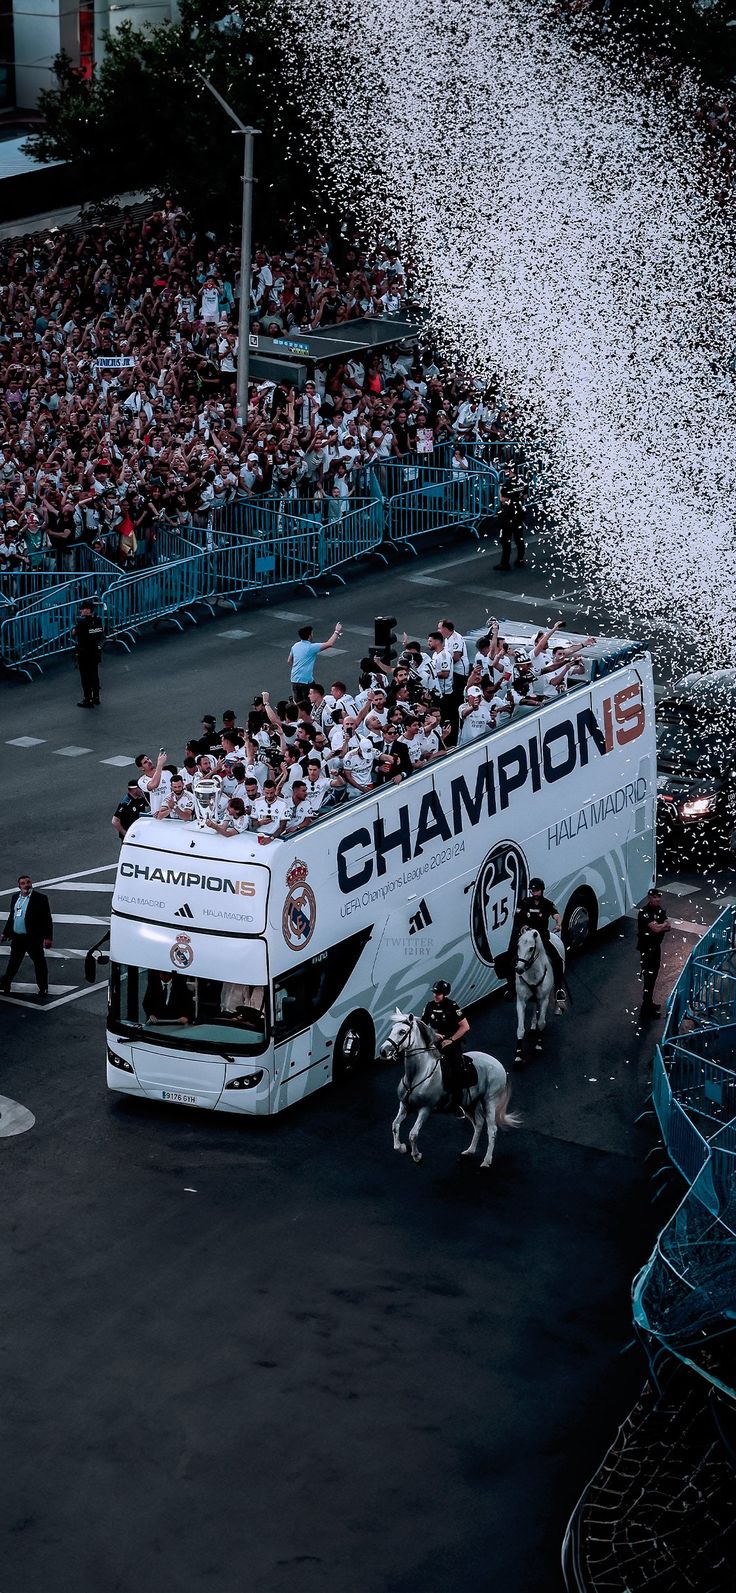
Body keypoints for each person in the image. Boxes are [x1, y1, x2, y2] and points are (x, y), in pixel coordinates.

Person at [508, 878, 566, 1002]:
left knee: (557, 959)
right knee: (511, 959)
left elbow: (556, 915)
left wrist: (558, 924)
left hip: (542, 938)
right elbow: (518, 918)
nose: (535, 893)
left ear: (542, 890)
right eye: (532, 891)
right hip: (527, 938)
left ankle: (559, 989)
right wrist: (523, 926)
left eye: (537, 891)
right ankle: (511, 989)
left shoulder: (547, 904)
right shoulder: (524, 903)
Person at [1, 874, 53, 999]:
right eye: (23, 883)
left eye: (28, 882)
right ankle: (5, 985)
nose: (26, 885)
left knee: (39, 963)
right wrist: (5, 933)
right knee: (13, 963)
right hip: (18, 938)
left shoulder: (40, 898)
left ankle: (43, 988)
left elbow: (47, 919)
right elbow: (12, 917)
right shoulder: (15, 898)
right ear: (19, 886)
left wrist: (48, 937)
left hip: (33, 938)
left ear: (31, 883)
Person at [421, 979, 470, 1109]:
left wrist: (451, 1039)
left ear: (445, 994)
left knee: (455, 1069)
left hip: (451, 1043)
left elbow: (465, 1026)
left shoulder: (452, 1006)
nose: (435, 996)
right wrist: (432, 1034)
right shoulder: (429, 1006)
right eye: (434, 993)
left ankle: (457, 1103)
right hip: (435, 1042)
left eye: (438, 993)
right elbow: (423, 1025)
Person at [637, 887, 671, 1021]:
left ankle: (649, 1002)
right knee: (648, 979)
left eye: (658, 897)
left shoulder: (660, 910)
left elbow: (669, 926)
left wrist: (660, 926)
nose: (657, 899)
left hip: (656, 948)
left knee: (654, 976)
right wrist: (661, 926)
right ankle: (646, 1008)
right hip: (647, 950)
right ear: (649, 898)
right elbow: (656, 929)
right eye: (654, 897)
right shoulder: (644, 912)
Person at [288, 621, 343, 703]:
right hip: (305, 681)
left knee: (299, 704)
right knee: (309, 703)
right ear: (309, 636)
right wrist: (337, 631)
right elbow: (329, 643)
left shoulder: (295, 646)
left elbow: (289, 661)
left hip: (294, 679)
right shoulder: (311, 647)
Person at [73, 599, 105, 708]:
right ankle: (96, 697)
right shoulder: (98, 620)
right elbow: (100, 633)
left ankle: (88, 699)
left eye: (82, 609)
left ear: (88, 610)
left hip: (84, 652)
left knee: (85, 677)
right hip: (95, 651)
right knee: (94, 675)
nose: (81, 611)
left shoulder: (82, 623)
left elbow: (73, 633)